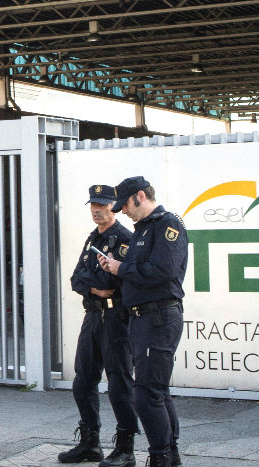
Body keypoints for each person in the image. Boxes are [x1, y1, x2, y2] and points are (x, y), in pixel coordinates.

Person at [99, 176, 189, 467]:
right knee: (155, 391)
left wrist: (122, 268)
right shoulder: (142, 230)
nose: (122, 211)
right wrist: (115, 267)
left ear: (140, 196)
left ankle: (161, 457)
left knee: (146, 394)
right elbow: (139, 271)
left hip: (159, 316)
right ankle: (168, 455)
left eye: (124, 204)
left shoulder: (167, 225)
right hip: (141, 318)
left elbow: (161, 270)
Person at [59, 185, 137, 466]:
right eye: (93, 204)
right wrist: (95, 289)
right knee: (83, 381)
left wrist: (97, 285)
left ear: (113, 207)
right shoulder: (93, 238)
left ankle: (125, 447)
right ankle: (90, 443)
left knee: (119, 383)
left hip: (115, 318)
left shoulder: (124, 239)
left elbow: (113, 282)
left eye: (102, 205)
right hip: (93, 315)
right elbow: (75, 279)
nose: (96, 210)